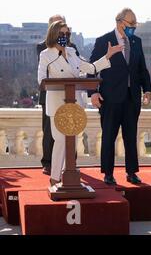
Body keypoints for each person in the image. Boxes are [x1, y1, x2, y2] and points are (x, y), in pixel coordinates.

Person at [38, 20, 123, 185]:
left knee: (72, 141)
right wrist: (57, 61)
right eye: (61, 34)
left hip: (74, 104)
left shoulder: (71, 52)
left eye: (67, 34)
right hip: (57, 105)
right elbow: (41, 80)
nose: (65, 37)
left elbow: (90, 68)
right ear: (54, 34)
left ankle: (67, 177)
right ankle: (55, 177)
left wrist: (107, 56)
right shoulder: (46, 55)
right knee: (61, 140)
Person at [89, 8, 151, 185]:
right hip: (109, 98)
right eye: (131, 24)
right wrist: (93, 92)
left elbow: (142, 69)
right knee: (109, 136)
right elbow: (92, 68)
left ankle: (132, 172)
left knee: (131, 137)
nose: (134, 27)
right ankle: (108, 173)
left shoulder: (136, 41)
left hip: (132, 98)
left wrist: (147, 89)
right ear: (119, 22)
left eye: (135, 24)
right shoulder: (103, 41)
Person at [36, 14, 73, 175]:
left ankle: (69, 163)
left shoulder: (71, 49)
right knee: (49, 131)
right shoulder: (43, 49)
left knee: (69, 132)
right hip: (49, 95)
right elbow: (43, 76)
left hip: (70, 98)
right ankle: (48, 162)